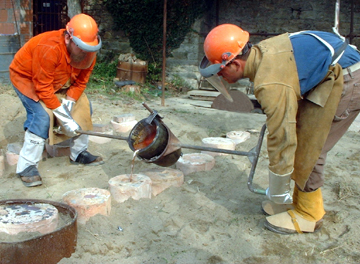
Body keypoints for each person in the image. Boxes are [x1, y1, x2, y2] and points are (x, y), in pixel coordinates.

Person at [199, 24, 360, 234]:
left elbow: (282, 138)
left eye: (220, 71)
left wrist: (277, 194)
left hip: (348, 78)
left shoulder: (269, 82)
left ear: (235, 64)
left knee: (311, 147)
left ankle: (309, 213)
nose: (220, 78)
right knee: (303, 140)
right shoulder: (264, 53)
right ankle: (297, 202)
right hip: (329, 74)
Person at [9, 13, 104, 188]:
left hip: (59, 80)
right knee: (41, 117)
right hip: (27, 78)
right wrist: (64, 117)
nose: (85, 53)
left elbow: (81, 82)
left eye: (89, 49)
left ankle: (79, 153)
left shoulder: (88, 51)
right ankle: (27, 166)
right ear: (69, 37)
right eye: (81, 48)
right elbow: (43, 88)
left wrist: (69, 104)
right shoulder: (49, 48)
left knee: (84, 109)